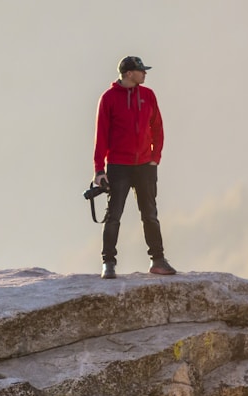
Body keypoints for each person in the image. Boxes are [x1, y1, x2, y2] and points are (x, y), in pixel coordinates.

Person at [93, 55, 177, 279]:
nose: (145, 73)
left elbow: (157, 128)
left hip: (145, 166)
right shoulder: (108, 98)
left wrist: (155, 158)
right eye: (141, 70)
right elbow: (101, 136)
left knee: (150, 215)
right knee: (114, 215)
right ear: (129, 73)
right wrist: (99, 170)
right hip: (118, 166)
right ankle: (108, 263)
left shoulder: (148, 95)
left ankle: (157, 260)